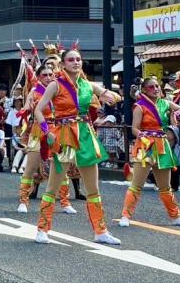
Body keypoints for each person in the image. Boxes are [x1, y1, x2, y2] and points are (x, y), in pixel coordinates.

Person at [33, 50, 121, 245]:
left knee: (93, 188)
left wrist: (112, 95)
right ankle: (42, 229)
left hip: (86, 135)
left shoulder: (88, 85)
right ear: (63, 64)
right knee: (53, 187)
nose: (75, 62)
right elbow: (38, 110)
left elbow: (110, 95)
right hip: (64, 134)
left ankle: (100, 231)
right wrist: (47, 131)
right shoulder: (55, 85)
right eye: (71, 59)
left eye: (78, 59)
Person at [117, 77, 180, 228]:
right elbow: (134, 128)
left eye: (157, 86)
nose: (156, 89)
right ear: (144, 90)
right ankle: (125, 215)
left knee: (165, 186)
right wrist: (142, 136)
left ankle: (176, 216)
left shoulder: (165, 103)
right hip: (145, 145)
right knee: (137, 184)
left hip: (162, 145)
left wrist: (179, 113)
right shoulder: (139, 106)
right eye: (151, 87)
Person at [17, 65, 75, 214]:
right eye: (44, 75)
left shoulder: (59, 90)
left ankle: (65, 202)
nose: (48, 77)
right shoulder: (34, 92)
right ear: (38, 77)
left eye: (51, 74)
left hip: (58, 131)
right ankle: (23, 201)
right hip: (39, 131)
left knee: (61, 168)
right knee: (30, 168)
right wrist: (25, 109)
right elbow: (26, 107)